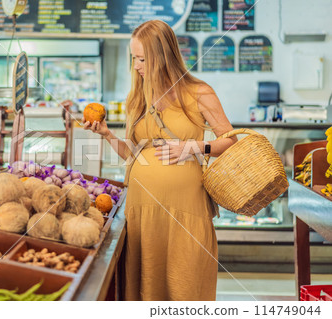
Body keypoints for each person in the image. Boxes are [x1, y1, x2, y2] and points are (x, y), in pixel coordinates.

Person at [83, 20, 237, 301]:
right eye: (133, 58)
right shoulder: (138, 97)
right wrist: (106, 134)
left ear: (163, 56)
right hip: (142, 211)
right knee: (146, 283)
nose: (136, 66)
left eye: (142, 59)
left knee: (185, 281)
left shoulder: (199, 93)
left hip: (185, 210)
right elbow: (132, 153)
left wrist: (193, 147)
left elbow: (230, 141)